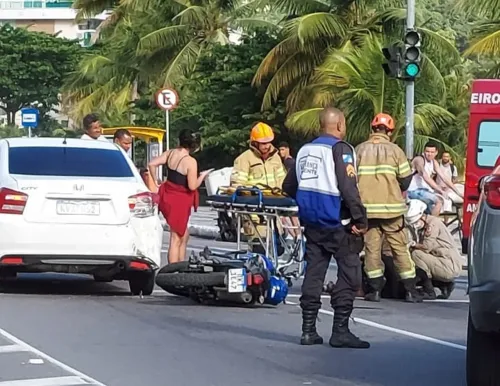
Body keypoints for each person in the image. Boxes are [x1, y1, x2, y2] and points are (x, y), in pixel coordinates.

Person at [283, 107, 370, 349]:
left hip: (312, 223)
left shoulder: (304, 150)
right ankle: (340, 330)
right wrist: (360, 220)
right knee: (350, 275)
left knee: (314, 273)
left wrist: (309, 202)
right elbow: (349, 187)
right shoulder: (341, 149)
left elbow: (288, 185)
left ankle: (308, 330)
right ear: (340, 124)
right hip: (338, 224)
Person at [355, 113, 421, 303]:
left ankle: (374, 290)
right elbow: (406, 181)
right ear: (389, 132)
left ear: (372, 128)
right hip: (392, 211)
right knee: (399, 248)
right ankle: (410, 290)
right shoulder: (395, 151)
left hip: (367, 210)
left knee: (371, 250)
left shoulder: (359, 150)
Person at [148, 129, 212, 264]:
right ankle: (173, 270)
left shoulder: (170, 153)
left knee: (184, 235)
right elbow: (193, 186)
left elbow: (151, 164)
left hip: (168, 195)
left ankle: (181, 265)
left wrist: (156, 180)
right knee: (176, 237)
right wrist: (202, 176)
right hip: (180, 200)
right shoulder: (190, 161)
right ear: (194, 146)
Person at [230, 122, 286, 253]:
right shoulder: (244, 159)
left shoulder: (276, 158)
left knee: (278, 249)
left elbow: (283, 180)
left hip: (274, 209)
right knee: (259, 250)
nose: (266, 146)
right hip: (254, 213)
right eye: (263, 143)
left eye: (268, 142)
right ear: (255, 143)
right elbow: (237, 185)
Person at [406, 199, 462, 300]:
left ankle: (429, 290)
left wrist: (412, 244)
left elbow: (427, 247)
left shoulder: (432, 224)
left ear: (422, 216)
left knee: (416, 254)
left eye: (416, 221)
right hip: (443, 261)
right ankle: (443, 285)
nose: (415, 225)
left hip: (448, 264)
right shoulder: (425, 224)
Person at [407, 142, 463, 215]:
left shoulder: (434, 162)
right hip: (414, 190)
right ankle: (432, 225)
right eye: (427, 151)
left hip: (426, 190)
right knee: (438, 202)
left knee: (434, 209)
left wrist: (458, 192)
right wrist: (440, 190)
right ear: (424, 151)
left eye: (432, 152)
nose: (429, 154)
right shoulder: (419, 160)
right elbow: (426, 177)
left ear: (436, 153)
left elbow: (444, 177)